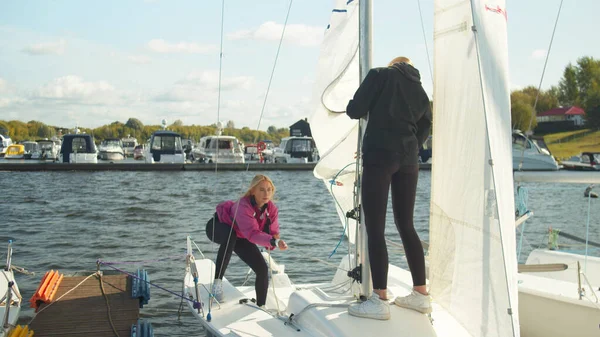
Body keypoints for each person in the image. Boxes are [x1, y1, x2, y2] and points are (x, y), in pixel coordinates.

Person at [346, 56, 433, 320]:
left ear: (394, 64)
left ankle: (380, 299)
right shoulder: (420, 91)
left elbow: (354, 110)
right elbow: (426, 124)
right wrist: (411, 146)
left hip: (380, 157)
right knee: (406, 225)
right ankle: (420, 294)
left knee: (375, 228)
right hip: (408, 159)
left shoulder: (379, 74)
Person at [206, 174, 288, 307]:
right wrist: (272, 241)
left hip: (241, 236)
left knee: (262, 269)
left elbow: (273, 233)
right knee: (230, 235)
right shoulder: (243, 205)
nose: (266, 193)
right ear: (253, 191)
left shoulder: (271, 209)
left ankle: (261, 306)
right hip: (217, 227)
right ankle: (217, 284)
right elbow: (252, 233)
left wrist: (277, 242)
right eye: (261, 189)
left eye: (269, 189)